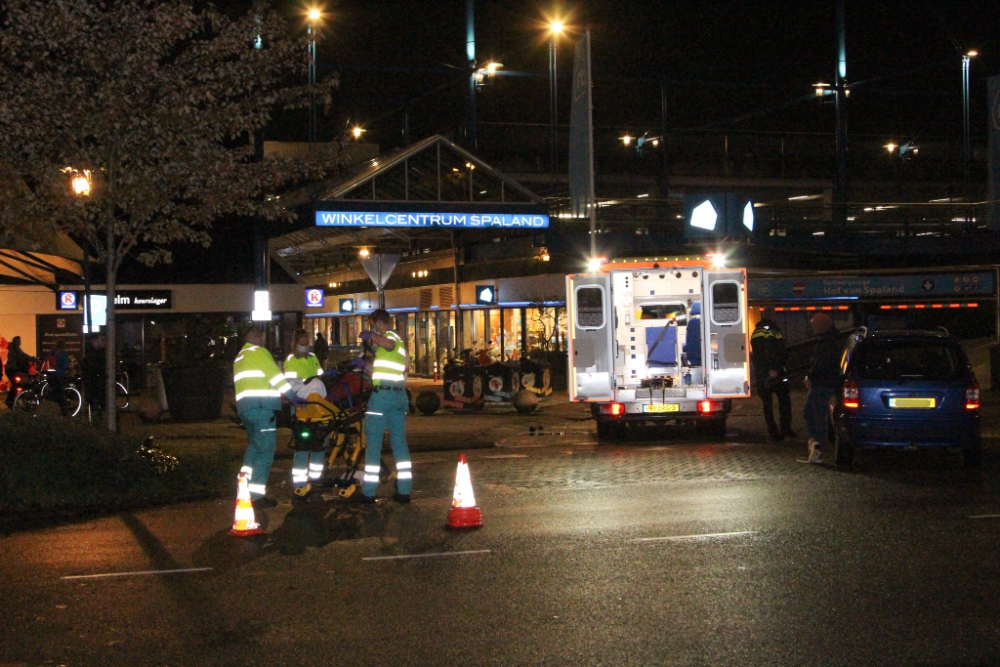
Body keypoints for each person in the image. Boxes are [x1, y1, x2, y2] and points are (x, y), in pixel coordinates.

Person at [233, 327, 297, 510]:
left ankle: (243, 490)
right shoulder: (258, 352)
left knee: (254, 448)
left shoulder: (240, 357)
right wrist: (293, 397)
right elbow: (275, 377)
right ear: (259, 338)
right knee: (265, 452)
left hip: (246, 410)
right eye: (262, 338)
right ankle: (257, 496)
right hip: (262, 409)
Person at [358, 309, 411, 504]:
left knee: (373, 445)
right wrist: (365, 365)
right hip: (399, 396)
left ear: (379, 323)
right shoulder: (399, 344)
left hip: (383, 398)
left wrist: (371, 336)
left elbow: (387, 344)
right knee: (399, 444)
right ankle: (404, 491)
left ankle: (368, 492)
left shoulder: (390, 338)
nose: (373, 331)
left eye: (373, 326)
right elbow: (388, 368)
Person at [282, 329, 325, 500]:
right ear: (295, 342)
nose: (305, 345)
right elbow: (292, 384)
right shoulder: (291, 360)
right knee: (302, 447)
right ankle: (300, 486)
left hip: (318, 406)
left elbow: (321, 379)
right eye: (302, 342)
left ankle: (315, 483)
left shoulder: (313, 358)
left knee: (319, 446)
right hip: (301, 406)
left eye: (307, 341)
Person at [802, 313, 842, 464]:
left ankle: (817, 447)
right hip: (825, 383)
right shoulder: (832, 340)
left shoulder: (826, 342)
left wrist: (810, 377)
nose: (813, 328)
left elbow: (820, 364)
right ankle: (815, 445)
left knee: (815, 415)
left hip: (821, 384)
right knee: (812, 414)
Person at [751, 308, 794, 442]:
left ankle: (775, 431)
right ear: (772, 316)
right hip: (773, 372)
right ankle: (783, 429)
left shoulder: (758, 331)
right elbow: (771, 351)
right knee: (783, 400)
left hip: (764, 373)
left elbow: (758, 353)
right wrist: (773, 368)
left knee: (768, 404)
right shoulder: (771, 330)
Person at [80, 334, 107, 419]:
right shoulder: (92, 355)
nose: (104, 342)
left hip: (98, 384)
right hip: (95, 384)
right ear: (94, 342)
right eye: (101, 340)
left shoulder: (100, 353)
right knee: (95, 403)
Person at [4, 336, 35, 409]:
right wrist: (33, 359)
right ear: (15, 341)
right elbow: (23, 355)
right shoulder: (15, 348)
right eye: (18, 341)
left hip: (11, 369)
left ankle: (11, 400)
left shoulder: (13, 348)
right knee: (17, 384)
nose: (19, 342)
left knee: (16, 384)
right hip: (12, 369)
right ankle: (10, 401)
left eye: (19, 341)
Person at [43, 339, 72, 416]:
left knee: (52, 390)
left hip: (50, 374)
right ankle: (64, 412)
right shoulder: (63, 353)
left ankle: (50, 407)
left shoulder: (51, 352)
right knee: (60, 393)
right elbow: (65, 365)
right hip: (58, 375)